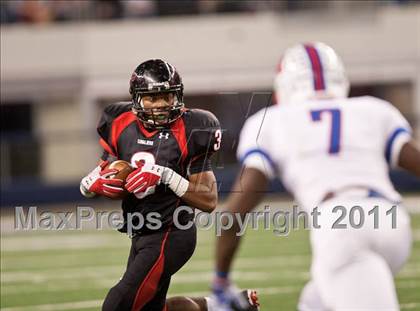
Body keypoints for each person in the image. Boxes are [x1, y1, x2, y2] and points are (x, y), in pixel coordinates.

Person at [212, 42, 420, 310]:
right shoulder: (373, 109)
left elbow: (236, 212)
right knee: (314, 302)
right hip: (392, 220)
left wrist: (220, 281)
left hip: (340, 224)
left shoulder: (270, 121)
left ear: (284, 85)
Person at [80, 59, 258, 311]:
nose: (161, 104)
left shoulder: (193, 127)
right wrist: (88, 185)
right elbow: (105, 169)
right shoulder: (118, 121)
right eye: (152, 98)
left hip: (172, 232)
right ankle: (228, 306)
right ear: (137, 100)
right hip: (140, 232)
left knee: (117, 305)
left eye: (167, 96)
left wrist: (165, 175)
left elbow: (208, 201)